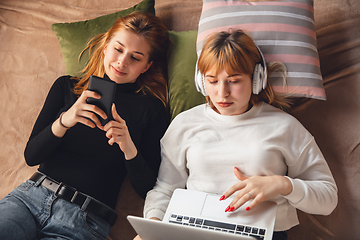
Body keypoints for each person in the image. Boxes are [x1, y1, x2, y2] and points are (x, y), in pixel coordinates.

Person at [138, 30, 338, 240]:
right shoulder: (184, 124)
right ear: (201, 81)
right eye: (213, 81)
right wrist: (152, 227)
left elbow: (328, 198)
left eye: (233, 81)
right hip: (195, 234)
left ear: (256, 79)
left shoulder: (285, 127)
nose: (222, 93)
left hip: (262, 234)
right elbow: (164, 190)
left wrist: (282, 184)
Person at [0, 11, 170, 240]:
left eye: (135, 57)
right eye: (118, 49)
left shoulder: (151, 110)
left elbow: (147, 190)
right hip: (29, 199)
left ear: (147, 66)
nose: (122, 61)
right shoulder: (66, 87)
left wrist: (128, 145)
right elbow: (32, 156)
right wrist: (65, 121)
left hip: (85, 219)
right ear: (106, 46)